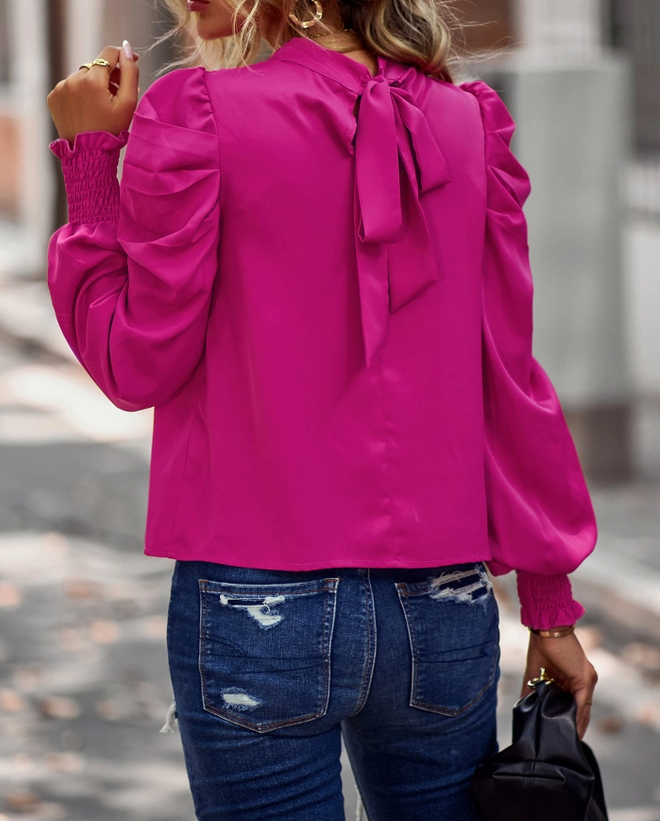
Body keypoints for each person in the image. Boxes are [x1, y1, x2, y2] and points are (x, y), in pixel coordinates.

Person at [46, 0, 599, 818]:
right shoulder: (467, 121)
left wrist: (93, 162)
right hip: (440, 605)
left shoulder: (196, 111)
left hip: (252, 598)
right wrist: (549, 603)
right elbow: (508, 378)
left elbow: (135, 361)